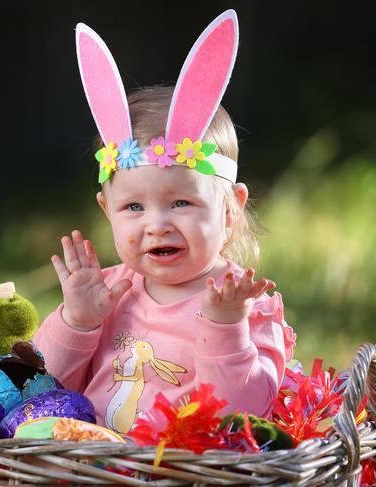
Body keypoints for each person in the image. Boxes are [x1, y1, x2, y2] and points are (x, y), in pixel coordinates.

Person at [32, 11, 296, 435]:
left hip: (184, 472)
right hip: (87, 464)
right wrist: (77, 322)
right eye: (134, 208)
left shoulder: (243, 307)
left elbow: (244, 416)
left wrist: (226, 328)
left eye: (180, 202)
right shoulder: (107, 295)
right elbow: (40, 393)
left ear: (229, 211)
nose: (156, 225)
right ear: (106, 210)